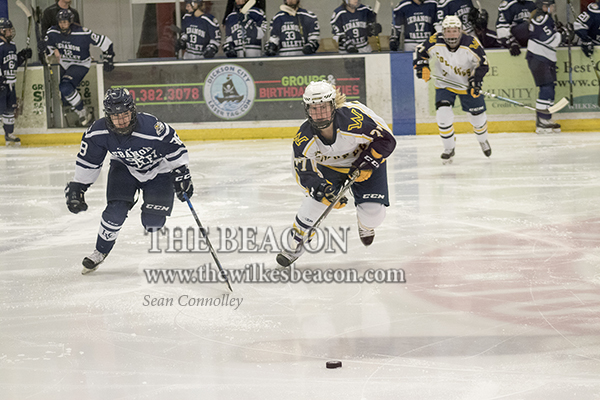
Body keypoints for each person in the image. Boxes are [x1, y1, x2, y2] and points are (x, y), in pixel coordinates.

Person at [64, 87, 194, 275]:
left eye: (125, 114)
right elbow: (89, 160)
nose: (121, 121)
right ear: (108, 116)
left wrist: (182, 172)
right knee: (115, 211)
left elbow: (175, 148)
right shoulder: (97, 132)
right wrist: (79, 185)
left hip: (159, 171)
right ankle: (100, 252)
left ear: (132, 110)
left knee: (153, 224)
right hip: (125, 169)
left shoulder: (152, 127)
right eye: (115, 117)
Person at [276, 80, 396, 267]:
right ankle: (295, 245)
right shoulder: (304, 138)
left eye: (323, 107)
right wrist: (322, 189)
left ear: (333, 106)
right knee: (314, 204)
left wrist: (367, 163)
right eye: (313, 109)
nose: (319, 114)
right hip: (330, 168)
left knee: (373, 215)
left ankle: (365, 225)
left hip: (365, 161)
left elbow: (387, 140)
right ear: (306, 109)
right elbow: (303, 173)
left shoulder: (356, 120)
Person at [414, 15, 491, 163]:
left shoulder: (471, 43)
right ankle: (449, 148)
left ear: (461, 31)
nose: (452, 34)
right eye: (448, 31)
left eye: (455, 31)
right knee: (443, 115)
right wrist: (422, 67)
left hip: (467, 85)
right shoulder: (435, 40)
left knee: (478, 119)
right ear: (443, 32)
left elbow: (483, 64)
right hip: (445, 84)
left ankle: (483, 140)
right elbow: (421, 51)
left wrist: (476, 81)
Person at [44, 9, 115, 126]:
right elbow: (49, 49)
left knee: (65, 87)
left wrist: (109, 58)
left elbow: (107, 42)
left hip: (80, 64)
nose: (62, 24)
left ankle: (83, 112)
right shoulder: (53, 32)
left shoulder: (83, 33)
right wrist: (43, 48)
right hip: (64, 64)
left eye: (65, 22)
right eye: (60, 22)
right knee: (64, 95)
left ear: (70, 22)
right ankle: (82, 112)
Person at [527, 0, 562, 134]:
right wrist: (561, 34)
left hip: (545, 57)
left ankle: (546, 119)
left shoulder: (545, 18)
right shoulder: (542, 18)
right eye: (551, 6)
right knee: (546, 87)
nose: (553, 8)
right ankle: (541, 121)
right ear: (544, 6)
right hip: (538, 57)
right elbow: (549, 40)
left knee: (550, 87)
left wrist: (558, 31)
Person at [0, 18, 32, 145]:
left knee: (9, 110)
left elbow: (13, 63)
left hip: (11, 84)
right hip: (1, 84)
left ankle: (9, 134)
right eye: (8, 30)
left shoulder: (12, 45)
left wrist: (22, 56)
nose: (10, 32)